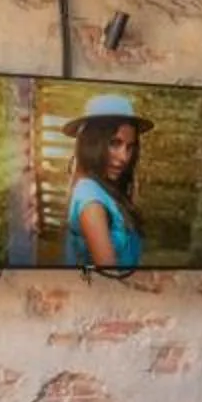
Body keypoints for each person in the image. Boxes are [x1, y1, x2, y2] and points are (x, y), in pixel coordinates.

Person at [61, 93, 151, 270]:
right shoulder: (92, 201)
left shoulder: (105, 188)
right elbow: (109, 280)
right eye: (114, 143)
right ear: (93, 144)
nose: (124, 157)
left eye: (129, 147)